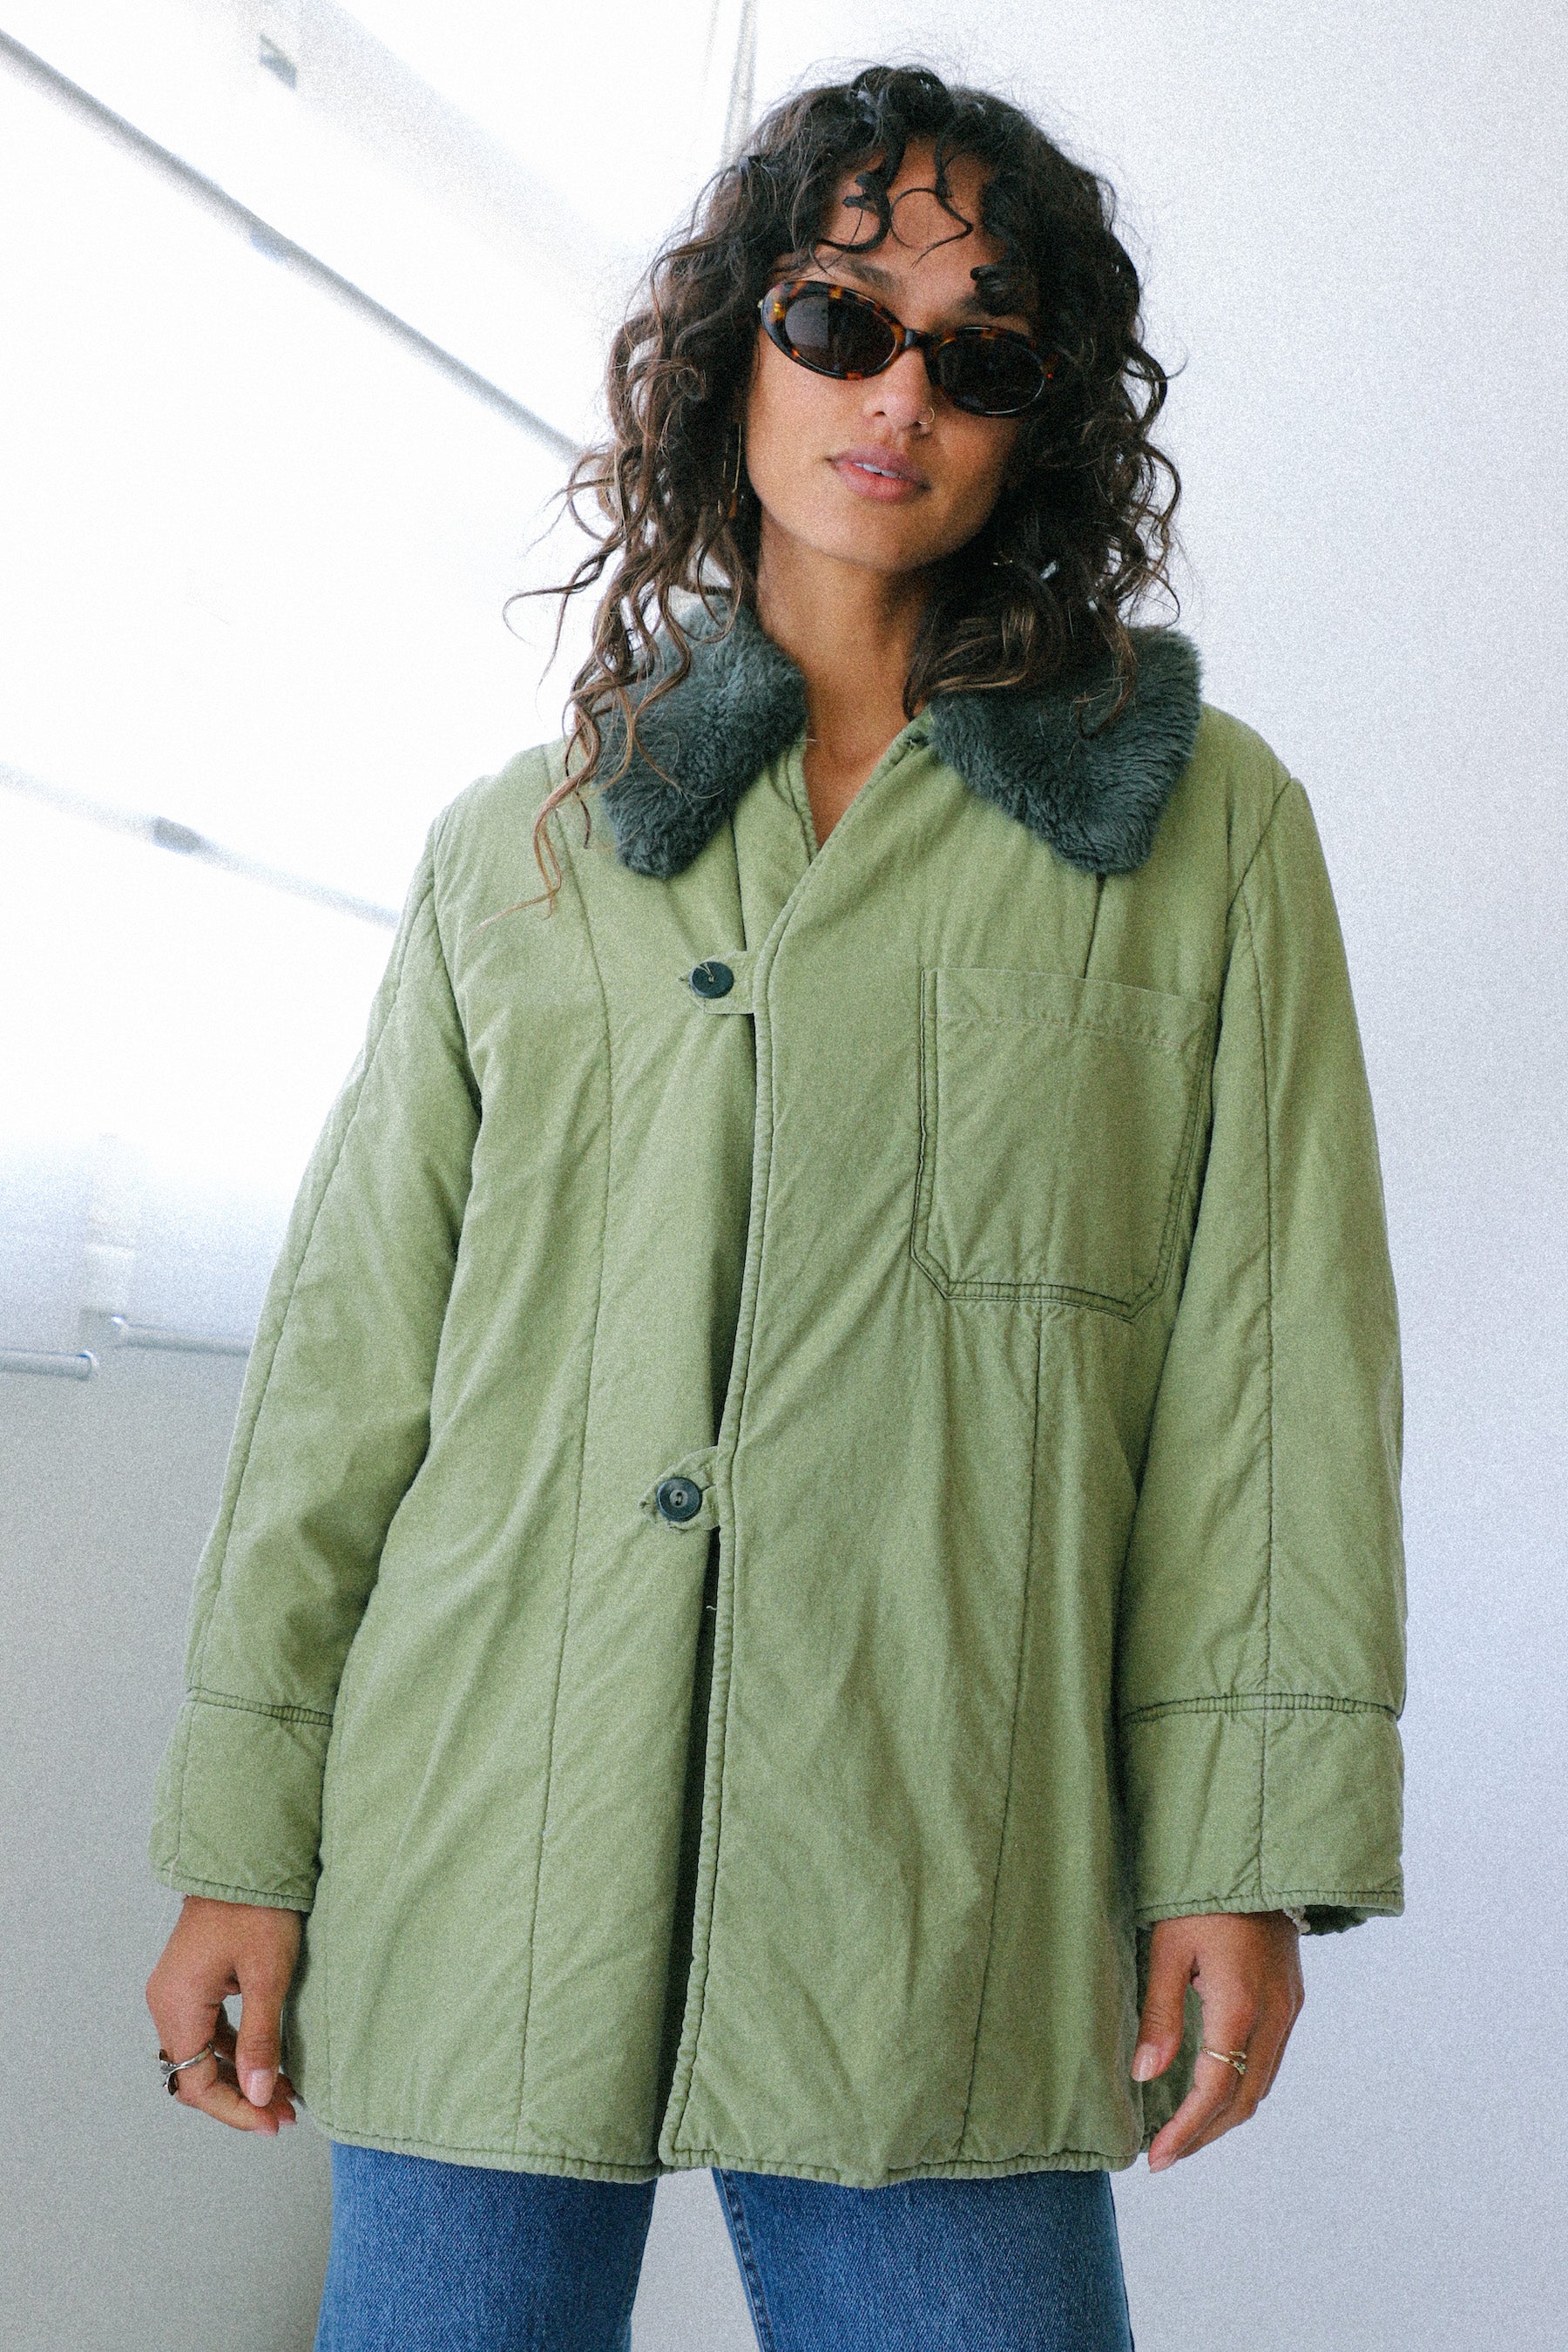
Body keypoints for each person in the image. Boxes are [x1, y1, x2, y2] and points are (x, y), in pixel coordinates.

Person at [144, 63, 1406, 2352]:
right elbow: (351, 1373)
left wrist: (1247, 1847)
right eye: (841, 321)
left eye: (980, 356)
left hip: (939, 1852)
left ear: (1041, 424)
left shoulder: (1202, 833)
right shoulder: (522, 845)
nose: (898, 393)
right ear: (737, 349)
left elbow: (1275, 1377)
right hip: (484, 1818)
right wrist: (244, 1835)